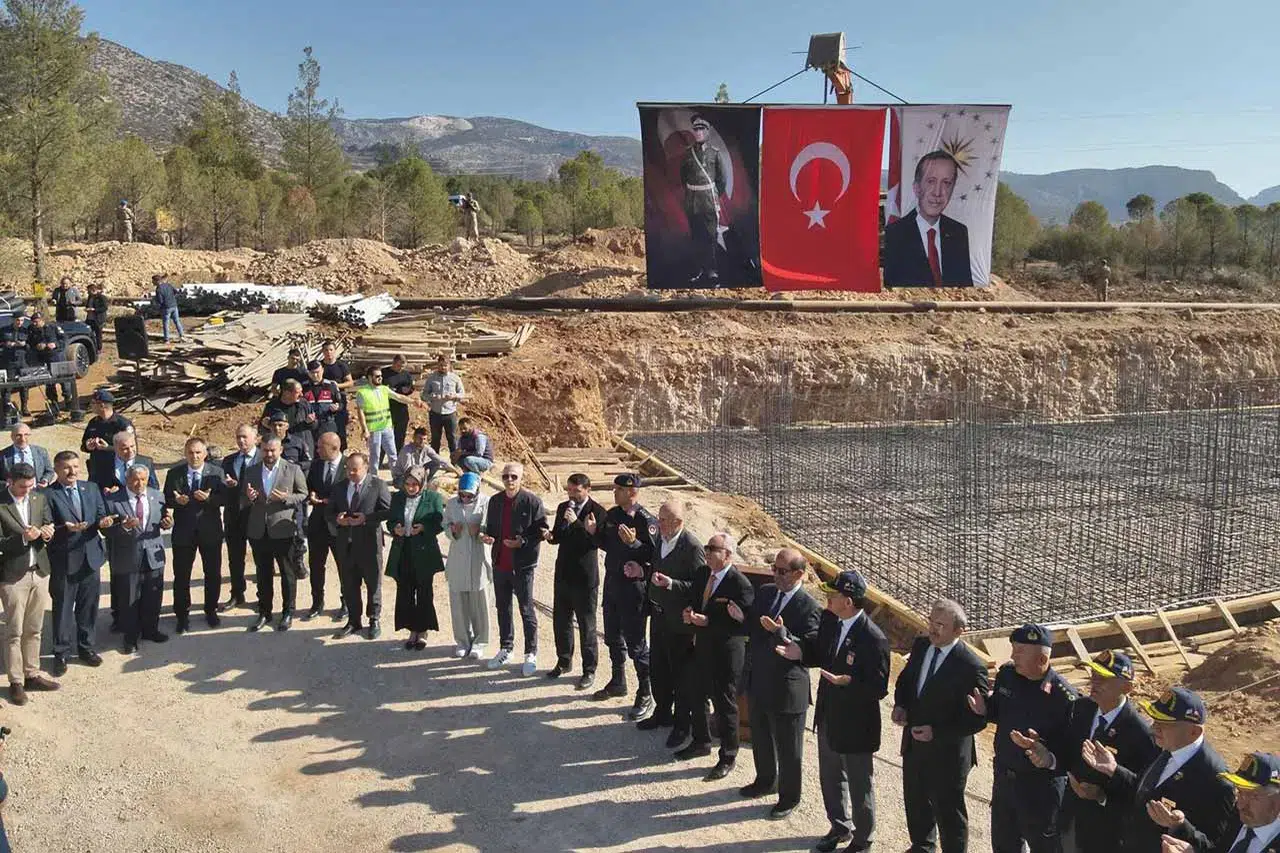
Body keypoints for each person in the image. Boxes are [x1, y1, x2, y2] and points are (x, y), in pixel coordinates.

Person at [779, 569, 890, 852]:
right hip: (828, 716)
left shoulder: (873, 639)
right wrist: (800, 652)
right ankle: (839, 826)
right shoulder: (831, 621)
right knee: (830, 776)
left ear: (849, 601)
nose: (827, 598)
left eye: (834, 594)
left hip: (856, 724)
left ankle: (863, 839)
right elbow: (820, 653)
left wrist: (848, 683)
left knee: (858, 783)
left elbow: (878, 688)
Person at [1078, 686, 1235, 852]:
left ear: (1194, 732)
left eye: (1165, 724)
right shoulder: (1165, 747)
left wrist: (1180, 826)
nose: (1154, 728)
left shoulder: (1216, 781)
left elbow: (1214, 847)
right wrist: (1114, 770)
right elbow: (1145, 792)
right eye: (1155, 720)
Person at [968, 623, 1078, 853]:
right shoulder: (1008, 676)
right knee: (1004, 844)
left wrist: (1046, 751)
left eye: (1020, 651)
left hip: (1040, 789)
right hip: (1006, 780)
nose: (1012, 656)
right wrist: (985, 709)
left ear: (1041, 659)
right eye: (1013, 649)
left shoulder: (1063, 696)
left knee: (1045, 846)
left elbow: (1072, 748)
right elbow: (1000, 710)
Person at [892, 599, 991, 853]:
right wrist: (900, 705)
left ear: (959, 631)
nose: (933, 629)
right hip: (915, 744)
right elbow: (906, 680)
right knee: (915, 800)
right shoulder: (923, 645)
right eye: (931, 622)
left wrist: (937, 732)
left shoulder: (971, 666)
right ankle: (922, 846)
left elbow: (977, 718)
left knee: (948, 812)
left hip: (947, 753)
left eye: (940, 625)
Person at [738, 548, 822, 818]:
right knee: (760, 736)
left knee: (789, 748)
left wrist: (781, 632)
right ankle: (765, 780)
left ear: (799, 574)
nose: (775, 574)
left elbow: (811, 646)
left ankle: (789, 797)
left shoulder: (809, 607)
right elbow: (752, 624)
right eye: (774, 568)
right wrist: (742, 618)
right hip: (760, 678)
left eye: (781, 571)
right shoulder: (766, 593)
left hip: (787, 688)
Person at [671, 532, 754, 781]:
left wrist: (707, 621)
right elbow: (695, 600)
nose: (707, 551)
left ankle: (728, 755)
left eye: (713, 548)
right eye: (706, 547)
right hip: (701, 647)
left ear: (727, 554)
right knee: (695, 694)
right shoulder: (702, 574)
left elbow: (743, 625)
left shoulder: (740, 585)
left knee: (725, 704)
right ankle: (700, 741)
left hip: (725, 653)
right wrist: (689, 613)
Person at [1062, 650, 1159, 853]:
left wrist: (1101, 796)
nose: (1094, 682)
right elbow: (1069, 749)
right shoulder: (1081, 709)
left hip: (1106, 832)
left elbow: (1142, 789)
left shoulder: (1141, 734)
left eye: (1104, 678)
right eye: (1094, 675)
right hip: (1070, 816)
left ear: (1127, 687)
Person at [593, 472, 657, 719]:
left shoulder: (645, 520)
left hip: (634, 591)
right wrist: (592, 532)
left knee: (637, 644)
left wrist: (634, 545)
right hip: (612, 585)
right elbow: (607, 544)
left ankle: (646, 691)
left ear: (632, 492)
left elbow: (654, 556)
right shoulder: (613, 515)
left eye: (619, 489)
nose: (614, 492)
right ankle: (618, 681)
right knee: (612, 637)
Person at [643, 500, 705, 747]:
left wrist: (671, 584)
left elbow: (699, 586)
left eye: (664, 520)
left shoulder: (692, 547)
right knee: (658, 668)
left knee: (680, 674)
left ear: (679, 522)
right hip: (658, 616)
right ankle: (662, 713)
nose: (659, 524)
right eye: (659, 519)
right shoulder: (661, 538)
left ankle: (682, 724)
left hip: (679, 623)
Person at [45, 451, 108, 677]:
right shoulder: (48, 494)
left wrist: (104, 521)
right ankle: (61, 653)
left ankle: (86, 647)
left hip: (91, 556)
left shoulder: (90, 488)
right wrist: (65, 528)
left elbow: (101, 514)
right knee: (62, 608)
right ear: (56, 470)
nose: (72, 471)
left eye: (75, 466)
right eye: (66, 468)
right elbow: (46, 525)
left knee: (88, 607)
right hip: (65, 559)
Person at [544, 473, 608, 691]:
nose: (572, 495)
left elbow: (595, 542)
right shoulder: (564, 508)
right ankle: (563, 661)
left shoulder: (597, 512)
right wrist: (551, 535)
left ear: (587, 489)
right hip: (563, 574)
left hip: (584, 577)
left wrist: (577, 523)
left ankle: (589, 670)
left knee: (586, 625)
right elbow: (559, 537)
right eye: (569, 490)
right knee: (561, 621)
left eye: (576, 491)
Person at [0, 462, 57, 705]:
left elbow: (48, 522)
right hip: (13, 575)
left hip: (40, 571)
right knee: (14, 631)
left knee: (35, 628)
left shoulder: (38, 498)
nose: (27, 491)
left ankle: (32, 674)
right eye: (23, 487)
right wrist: (23, 539)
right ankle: (15, 682)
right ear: (10, 482)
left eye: (31, 486)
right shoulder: (1, 504)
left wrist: (47, 531)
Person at [482, 462, 547, 676]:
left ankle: (531, 653)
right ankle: (506, 648)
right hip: (501, 562)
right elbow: (490, 527)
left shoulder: (532, 502)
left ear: (521, 479)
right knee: (503, 608)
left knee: (526, 609)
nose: (509, 480)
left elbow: (541, 531)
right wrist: (487, 536)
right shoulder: (495, 501)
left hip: (523, 565)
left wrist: (522, 542)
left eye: (513, 477)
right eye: (506, 477)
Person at [241, 436, 307, 633]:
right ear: (261, 450)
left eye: (273, 451)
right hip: (259, 530)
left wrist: (287, 499)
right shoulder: (252, 470)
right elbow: (243, 498)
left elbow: (303, 494)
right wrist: (249, 497)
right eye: (266, 450)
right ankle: (264, 612)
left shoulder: (292, 469)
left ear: (280, 450)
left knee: (287, 573)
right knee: (263, 573)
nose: (269, 454)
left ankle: (288, 612)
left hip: (282, 529)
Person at [102, 465, 169, 655]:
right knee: (129, 598)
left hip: (153, 554)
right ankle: (130, 637)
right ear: (127, 479)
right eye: (135, 480)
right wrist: (123, 528)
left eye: (144, 480)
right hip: (127, 555)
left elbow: (163, 519)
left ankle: (151, 630)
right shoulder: (113, 500)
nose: (139, 484)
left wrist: (167, 523)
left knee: (152, 596)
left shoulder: (158, 496)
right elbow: (105, 530)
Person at [883, 150, 973, 287]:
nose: (937, 192)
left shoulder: (958, 233)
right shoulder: (895, 234)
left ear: (953, 189)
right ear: (917, 188)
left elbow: (964, 288)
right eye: (931, 181)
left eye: (947, 183)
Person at [1159, 752, 1280, 853]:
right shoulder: (1239, 817)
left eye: (1254, 797)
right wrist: (1181, 828)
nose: (1241, 805)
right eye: (1240, 792)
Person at [163, 437, 225, 633]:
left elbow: (225, 498)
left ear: (205, 454)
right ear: (185, 453)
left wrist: (209, 499)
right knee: (182, 575)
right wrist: (176, 502)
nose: (195, 456)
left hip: (210, 531)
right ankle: (182, 616)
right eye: (190, 452)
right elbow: (166, 499)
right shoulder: (174, 473)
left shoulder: (217, 472)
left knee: (213, 574)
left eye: (198, 452)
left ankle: (211, 610)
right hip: (183, 532)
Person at [329, 452, 391, 640]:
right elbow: (329, 511)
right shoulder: (339, 487)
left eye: (355, 469)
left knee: (373, 583)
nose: (351, 473)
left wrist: (366, 519)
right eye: (348, 469)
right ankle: (354, 621)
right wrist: (337, 519)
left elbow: (388, 511)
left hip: (369, 543)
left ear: (366, 468)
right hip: (346, 543)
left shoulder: (378, 485)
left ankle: (374, 619)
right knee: (349, 583)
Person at [385, 466, 444, 651]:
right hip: (404, 550)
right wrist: (395, 528)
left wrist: (424, 528)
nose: (410, 488)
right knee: (405, 591)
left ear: (422, 484)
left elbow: (439, 522)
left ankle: (423, 630)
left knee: (424, 591)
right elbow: (390, 520)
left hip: (424, 551)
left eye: (415, 484)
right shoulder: (397, 498)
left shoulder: (433, 498)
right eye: (408, 484)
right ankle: (412, 630)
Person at [443, 472, 491, 659]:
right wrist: (452, 531)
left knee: (479, 602)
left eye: (469, 495)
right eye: (462, 494)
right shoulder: (452, 504)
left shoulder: (486, 503)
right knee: (458, 602)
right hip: (457, 557)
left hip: (478, 557)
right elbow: (445, 524)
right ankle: (462, 641)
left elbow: (489, 528)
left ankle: (480, 641)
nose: (465, 498)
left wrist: (478, 531)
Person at [681, 114, 728, 284]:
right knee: (696, 237)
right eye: (696, 129)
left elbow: (722, 181)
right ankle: (698, 269)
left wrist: (712, 195)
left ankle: (712, 270)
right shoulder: (687, 153)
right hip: (693, 202)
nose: (699, 132)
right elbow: (683, 178)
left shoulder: (715, 154)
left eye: (702, 129)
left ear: (707, 132)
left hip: (709, 201)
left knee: (710, 237)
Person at [218, 424, 258, 612]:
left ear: (255, 437)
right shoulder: (228, 460)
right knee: (235, 558)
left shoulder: (263, 458)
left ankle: (263, 596)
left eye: (245, 437)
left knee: (261, 558)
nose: (241, 441)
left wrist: (240, 485)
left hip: (256, 515)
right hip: (234, 516)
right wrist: (227, 485)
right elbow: (220, 486)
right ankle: (237, 593)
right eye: (238, 437)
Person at [304, 431, 343, 620]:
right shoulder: (317, 464)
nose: (316, 450)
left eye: (321, 447)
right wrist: (311, 495)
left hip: (340, 526)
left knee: (344, 567)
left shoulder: (348, 466)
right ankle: (317, 603)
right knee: (316, 565)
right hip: (318, 523)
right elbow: (309, 485)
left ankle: (347, 603)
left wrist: (332, 502)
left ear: (334, 448)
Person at [355, 366, 421, 472]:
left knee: (393, 454)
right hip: (373, 430)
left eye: (381, 376)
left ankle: (396, 477)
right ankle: (373, 479)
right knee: (375, 457)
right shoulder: (362, 392)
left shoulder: (384, 389)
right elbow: (360, 412)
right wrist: (365, 429)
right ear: (369, 377)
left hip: (387, 427)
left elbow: (399, 397)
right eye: (377, 376)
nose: (380, 378)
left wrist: (412, 401)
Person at [79, 389, 133, 486]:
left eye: (93, 403)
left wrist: (108, 448)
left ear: (102, 405)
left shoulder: (122, 424)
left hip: (116, 473)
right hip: (96, 473)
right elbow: (83, 445)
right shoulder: (93, 423)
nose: (91, 405)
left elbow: (132, 451)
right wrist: (88, 446)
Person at [261, 379, 315, 466]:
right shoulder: (272, 407)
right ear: (286, 393)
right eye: (298, 392)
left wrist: (310, 422)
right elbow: (262, 430)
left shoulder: (304, 404)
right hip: (281, 448)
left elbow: (315, 426)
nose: (301, 395)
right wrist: (265, 426)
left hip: (303, 446)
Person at [27, 312, 70, 417]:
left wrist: (55, 345)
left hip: (57, 357)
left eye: (36, 322)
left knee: (64, 381)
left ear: (42, 320)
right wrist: (36, 347)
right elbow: (30, 343)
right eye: (33, 322)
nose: (34, 324)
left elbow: (64, 339)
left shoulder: (53, 327)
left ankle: (69, 401)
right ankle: (54, 405)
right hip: (43, 358)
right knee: (49, 382)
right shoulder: (32, 330)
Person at [422, 354, 465, 455]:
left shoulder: (455, 378)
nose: (443, 367)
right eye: (441, 365)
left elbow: (462, 394)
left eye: (445, 365)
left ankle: (454, 462)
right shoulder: (431, 378)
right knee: (435, 439)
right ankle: (434, 462)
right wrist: (432, 396)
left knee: (452, 438)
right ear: (438, 365)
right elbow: (423, 395)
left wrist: (454, 396)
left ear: (449, 365)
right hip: (435, 413)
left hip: (450, 413)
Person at [320, 341, 354, 450]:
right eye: (326, 350)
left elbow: (350, 382)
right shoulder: (320, 366)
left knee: (340, 427)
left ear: (335, 351)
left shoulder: (341, 366)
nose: (328, 352)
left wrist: (336, 385)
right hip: (323, 400)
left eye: (331, 350)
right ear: (322, 351)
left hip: (339, 398)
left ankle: (341, 452)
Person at [302, 360, 343, 441]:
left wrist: (337, 407)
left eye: (318, 372)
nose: (315, 375)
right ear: (308, 373)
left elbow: (340, 404)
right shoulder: (303, 387)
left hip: (327, 423)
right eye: (312, 373)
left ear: (323, 370)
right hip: (309, 425)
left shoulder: (331, 385)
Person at [383, 354, 415, 451]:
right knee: (385, 435)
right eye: (399, 366)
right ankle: (381, 457)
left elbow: (411, 388)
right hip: (386, 408)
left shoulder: (406, 375)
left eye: (403, 366)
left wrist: (408, 390)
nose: (400, 368)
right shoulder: (384, 373)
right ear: (394, 362)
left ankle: (398, 458)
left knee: (400, 435)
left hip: (401, 407)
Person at [1, 314, 30, 419]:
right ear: (13, 320)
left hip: (22, 361)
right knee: (7, 386)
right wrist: (5, 344)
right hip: (9, 362)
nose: (20, 322)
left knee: (24, 385)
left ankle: (25, 408)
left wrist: (24, 344)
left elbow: (31, 345)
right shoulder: (4, 330)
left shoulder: (26, 331)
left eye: (22, 320)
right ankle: (7, 409)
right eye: (18, 320)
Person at [152, 273, 183, 343]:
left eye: (153, 281)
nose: (152, 283)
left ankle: (167, 339)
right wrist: (171, 298)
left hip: (166, 308)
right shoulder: (168, 285)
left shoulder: (158, 289)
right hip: (174, 306)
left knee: (166, 324)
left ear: (157, 281)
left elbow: (160, 301)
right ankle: (182, 336)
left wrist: (155, 302)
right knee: (177, 321)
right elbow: (176, 292)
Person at [85, 282, 108, 352]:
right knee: (89, 333)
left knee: (98, 334)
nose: (88, 293)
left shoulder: (102, 297)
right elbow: (87, 305)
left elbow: (104, 308)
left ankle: (99, 348)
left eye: (89, 291)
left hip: (98, 319)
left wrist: (94, 310)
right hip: (89, 318)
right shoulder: (89, 297)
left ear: (93, 290)